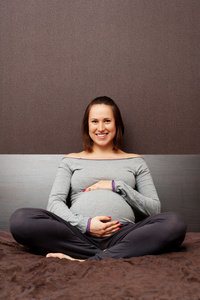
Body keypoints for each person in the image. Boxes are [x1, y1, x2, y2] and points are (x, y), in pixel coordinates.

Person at [9, 96, 187, 262]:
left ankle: (86, 260)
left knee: (175, 222)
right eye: (94, 121)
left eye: (107, 121)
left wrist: (117, 186)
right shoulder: (71, 160)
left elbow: (154, 209)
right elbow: (55, 203)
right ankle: (111, 256)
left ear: (117, 124)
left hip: (123, 235)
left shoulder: (135, 161)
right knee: (20, 219)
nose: (101, 128)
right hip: (78, 236)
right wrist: (86, 225)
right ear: (87, 125)